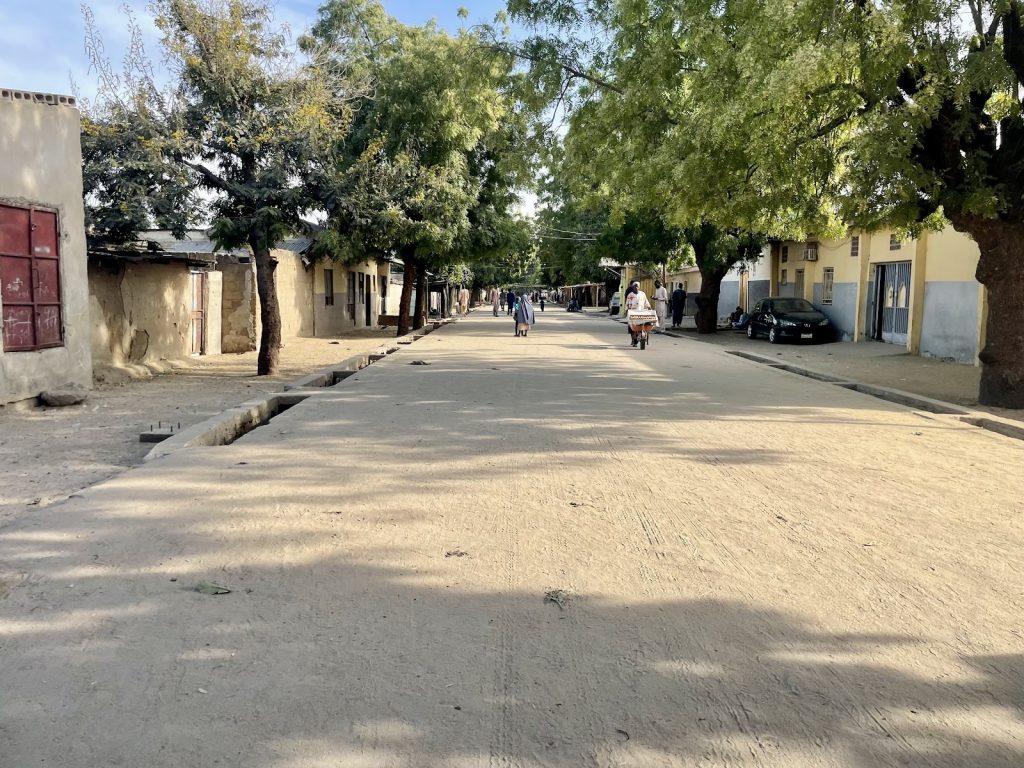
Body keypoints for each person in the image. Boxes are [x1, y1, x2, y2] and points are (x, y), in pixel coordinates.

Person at [624, 281, 652, 346]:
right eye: (635, 286)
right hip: (632, 313)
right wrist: (626, 312)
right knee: (632, 327)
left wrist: (650, 309)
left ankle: (640, 336)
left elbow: (646, 302)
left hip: (641, 312)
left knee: (641, 325)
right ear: (633, 287)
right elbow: (627, 304)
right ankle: (633, 339)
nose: (636, 288)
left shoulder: (642, 294)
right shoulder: (630, 295)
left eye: (637, 286)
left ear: (639, 287)